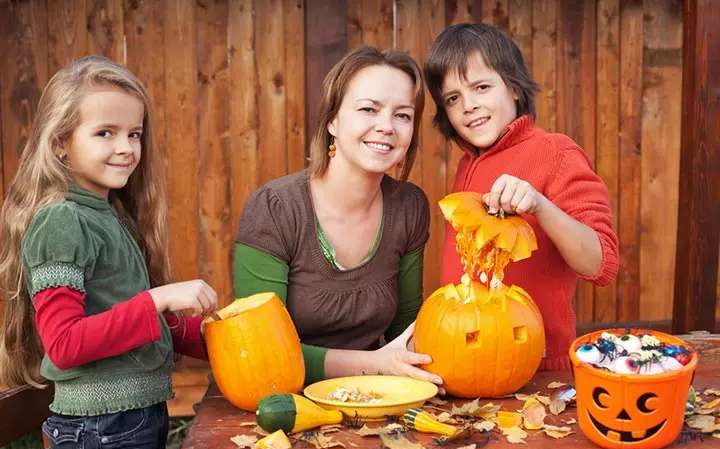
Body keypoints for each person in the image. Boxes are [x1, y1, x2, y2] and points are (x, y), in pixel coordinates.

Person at [0, 56, 217, 449]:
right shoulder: (62, 220)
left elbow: (126, 320)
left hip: (131, 419)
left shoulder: (108, 213)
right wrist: (157, 298)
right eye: (106, 133)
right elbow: (64, 344)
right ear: (60, 142)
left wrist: (217, 339)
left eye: (134, 134)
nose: (126, 147)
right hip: (100, 429)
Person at [234, 46, 443, 388]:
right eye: (368, 109)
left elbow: (405, 331)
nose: (386, 127)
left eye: (402, 115)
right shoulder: (274, 209)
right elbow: (260, 350)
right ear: (332, 119)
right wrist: (376, 364)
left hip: (374, 397)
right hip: (277, 401)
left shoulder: (409, 206)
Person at [423, 23, 620, 370]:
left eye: (481, 87)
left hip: (538, 365)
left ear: (513, 88)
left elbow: (601, 264)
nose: (468, 105)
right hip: (464, 361)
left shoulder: (556, 153)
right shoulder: (467, 163)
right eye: (453, 98)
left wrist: (540, 207)